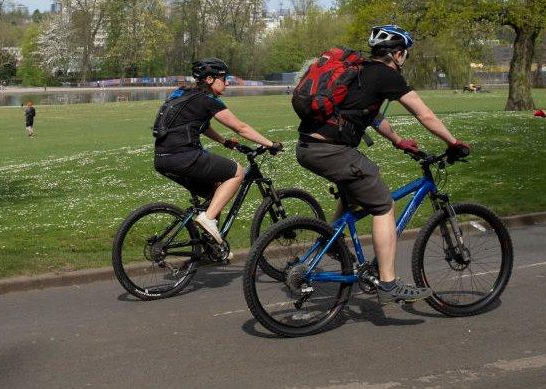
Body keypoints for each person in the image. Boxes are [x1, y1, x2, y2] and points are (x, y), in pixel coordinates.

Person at [295, 25, 471, 305]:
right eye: (405, 55)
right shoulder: (387, 75)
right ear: (398, 54)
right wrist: (453, 141)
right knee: (383, 206)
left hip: (308, 146)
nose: (404, 60)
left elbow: (370, 116)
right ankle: (388, 285)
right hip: (332, 150)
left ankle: (331, 244)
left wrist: (398, 140)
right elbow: (423, 113)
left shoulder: (360, 71)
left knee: (354, 195)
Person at [153, 58, 282, 253]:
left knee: (217, 190)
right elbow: (241, 127)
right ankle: (208, 218)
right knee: (237, 172)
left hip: (162, 158)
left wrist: (225, 142)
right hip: (184, 155)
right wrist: (271, 144)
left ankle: (210, 248)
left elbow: (200, 125)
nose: (227, 83)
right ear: (210, 79)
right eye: (224, 78)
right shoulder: (208, 100)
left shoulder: (183, 93)